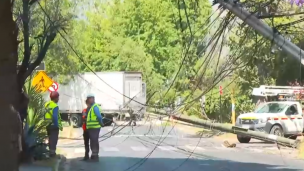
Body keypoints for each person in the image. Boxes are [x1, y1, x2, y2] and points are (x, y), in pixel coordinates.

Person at [44, 91, 63, 157]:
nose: (58, 99)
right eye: (58, 98)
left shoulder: (47, 104)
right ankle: (52, 153)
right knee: (54, 139)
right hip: (53, 125)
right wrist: (57, 125)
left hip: (47, 124)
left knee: (50, 138)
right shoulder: (55, 106)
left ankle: (50, 151)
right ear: (55, 98)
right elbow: (55, 117)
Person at [86, 94, 103, 161]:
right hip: (91, 127)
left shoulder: (95, 107)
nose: (88, 100)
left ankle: (95, 154)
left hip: (95, 127)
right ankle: (93, 154)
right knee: (92, 140)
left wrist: (101, 123)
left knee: (94, 140)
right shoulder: (91, 107)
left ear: (92, 99)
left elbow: (99, 116)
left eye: (89, 99)